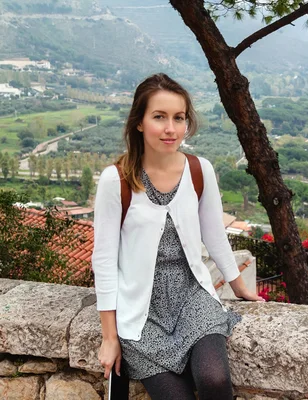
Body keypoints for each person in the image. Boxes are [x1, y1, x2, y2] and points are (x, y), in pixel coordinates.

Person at [92, 73, 263, 400]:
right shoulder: (116, 180)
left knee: (214, 380)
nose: (171, 128)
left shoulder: (200, 170)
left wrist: (240, 287)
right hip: (140, 312)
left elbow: (214, 234)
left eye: (179, 118)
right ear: (139, 122)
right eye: (159, 117)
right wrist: (109, 336)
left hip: (192, 296)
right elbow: (103, 261)